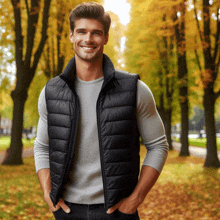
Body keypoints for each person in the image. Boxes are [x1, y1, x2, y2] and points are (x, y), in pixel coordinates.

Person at [34, 2, 169, 220]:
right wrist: (47, 191)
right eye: (81, 32)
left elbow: (158, 146)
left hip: (117, 211)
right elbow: (42, 146)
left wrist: (136, 199)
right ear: (71, 36)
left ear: (105, 38)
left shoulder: (135, 90)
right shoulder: (51, 92)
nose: (88, 39)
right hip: (67, 211)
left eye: (96, 33)